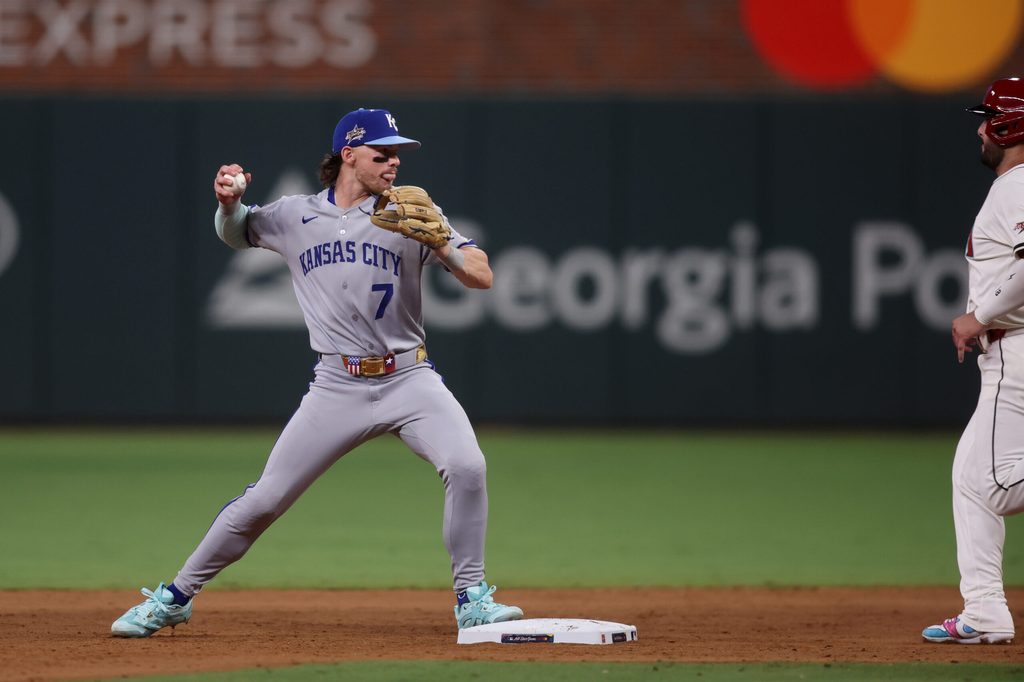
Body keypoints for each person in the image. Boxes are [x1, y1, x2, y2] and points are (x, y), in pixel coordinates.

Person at [111, 108, 523, 637]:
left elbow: (482, 275)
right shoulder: (294, 215)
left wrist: (441, 240)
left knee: (467, 466)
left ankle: (472, 599)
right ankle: (174, 597)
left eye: (398, 154)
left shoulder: (412, 211)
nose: (394, 163)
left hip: (409, 378)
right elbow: (238, 234)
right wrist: (228, 203)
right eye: (383, 153)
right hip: (337, 386)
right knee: (264, 500)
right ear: (348, 155)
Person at [922, 78, 1024, 645]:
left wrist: (979, 313)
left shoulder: (1017, 185)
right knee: (973, 477)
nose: (981, 128)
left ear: (1011, 125)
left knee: (990, 484)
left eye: (989, 118)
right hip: (1012, 353)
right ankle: (984, 611)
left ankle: (985, 611)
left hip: (1015, 352)